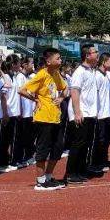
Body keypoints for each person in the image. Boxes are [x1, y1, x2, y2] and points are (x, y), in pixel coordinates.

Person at [19, 48, 68, 191]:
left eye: (60, 58)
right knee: (43, 149)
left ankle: (48, 176)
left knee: (57, 148)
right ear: (48, 61)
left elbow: (65, 89)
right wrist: (36, 99)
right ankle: (40, 181)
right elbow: (22, 90)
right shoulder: (41, 74)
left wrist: (62, 97)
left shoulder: (56, 74)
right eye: (57, 58)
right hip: (43, 117)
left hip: (56, 117)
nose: (60, 61)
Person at [65, 43, 100, 184]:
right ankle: (71, 172)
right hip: (81, 113)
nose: (97, 54)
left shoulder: (91, 70)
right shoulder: (79, 71)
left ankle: (80, 170)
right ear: (87, 55)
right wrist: (77, 112)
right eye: (94, 52)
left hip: (90, 113)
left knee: (86, 143)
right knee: (78, 143)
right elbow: (74, 91)